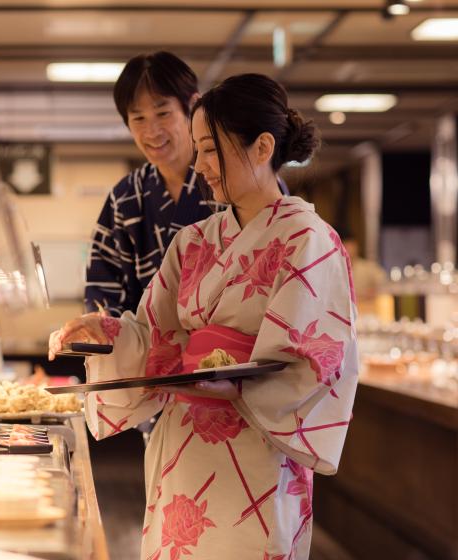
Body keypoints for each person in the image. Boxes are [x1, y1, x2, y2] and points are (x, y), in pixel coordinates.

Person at [50, 73, 358, 559]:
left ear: (262, 147)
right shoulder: (194, 240)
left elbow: (314, 358)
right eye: (198, 150)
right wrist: (106, 332)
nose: (200, 166)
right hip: (183, 444)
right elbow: (153, 333)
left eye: (211, 150)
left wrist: (234, 382)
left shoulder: (309, 240)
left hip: (257, 448)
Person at [85, 51, 212, 317]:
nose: (152, 132)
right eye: (138, 118)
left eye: (163, 113)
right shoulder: (125, 198)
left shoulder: (232, 178)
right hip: (147, 353)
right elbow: (103, 294)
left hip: (231, 355)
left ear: (193, 106)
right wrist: (102, 326)